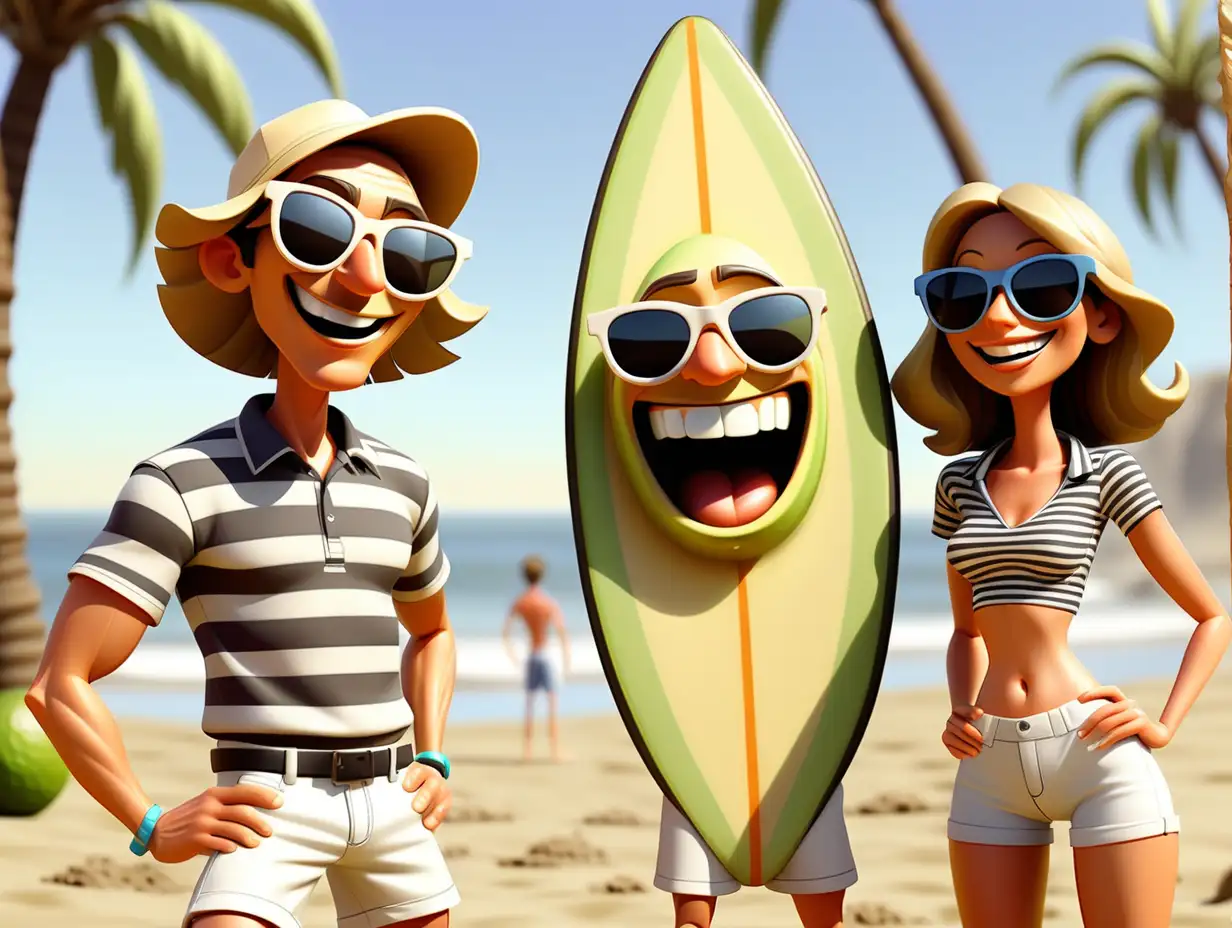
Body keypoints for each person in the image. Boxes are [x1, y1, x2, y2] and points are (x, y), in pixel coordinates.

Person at [25, 98, 489, 928]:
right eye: (319, 229)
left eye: (410, 251)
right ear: (231, 258)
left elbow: (434, 630)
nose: (361, 278)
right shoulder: (179, 483)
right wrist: (149, 822)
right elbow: (59, 684)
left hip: (393, 804)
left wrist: (434, 754)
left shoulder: (405, 483)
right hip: (265, 807)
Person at [891, 181, 1232, 928]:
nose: (1000, 316)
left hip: (1095, 751)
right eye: (961, 294)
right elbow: (966, 631)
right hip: (986, 766)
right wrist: (957, 707)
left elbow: (1211, 616)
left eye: (1041, 286)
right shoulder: (959, 484)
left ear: (1102, 314)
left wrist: (1165, 723)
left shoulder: (1108, 472)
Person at [586, 235, 859, 928]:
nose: (712, 364)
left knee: (821, 901)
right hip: (692, 732)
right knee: (691, 906)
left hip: (806, 732)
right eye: (650, 337)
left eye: (769, 327)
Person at [502, 555, 571, 761]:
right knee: (551, 702)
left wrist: (512, 654)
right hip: (544, 654)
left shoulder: (522, 602)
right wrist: (566, 657)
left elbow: (507, 630)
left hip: (532, 655)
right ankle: (554, 750)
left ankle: (528, 751)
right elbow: (560, 630)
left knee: (530, 703)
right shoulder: (546, 602)